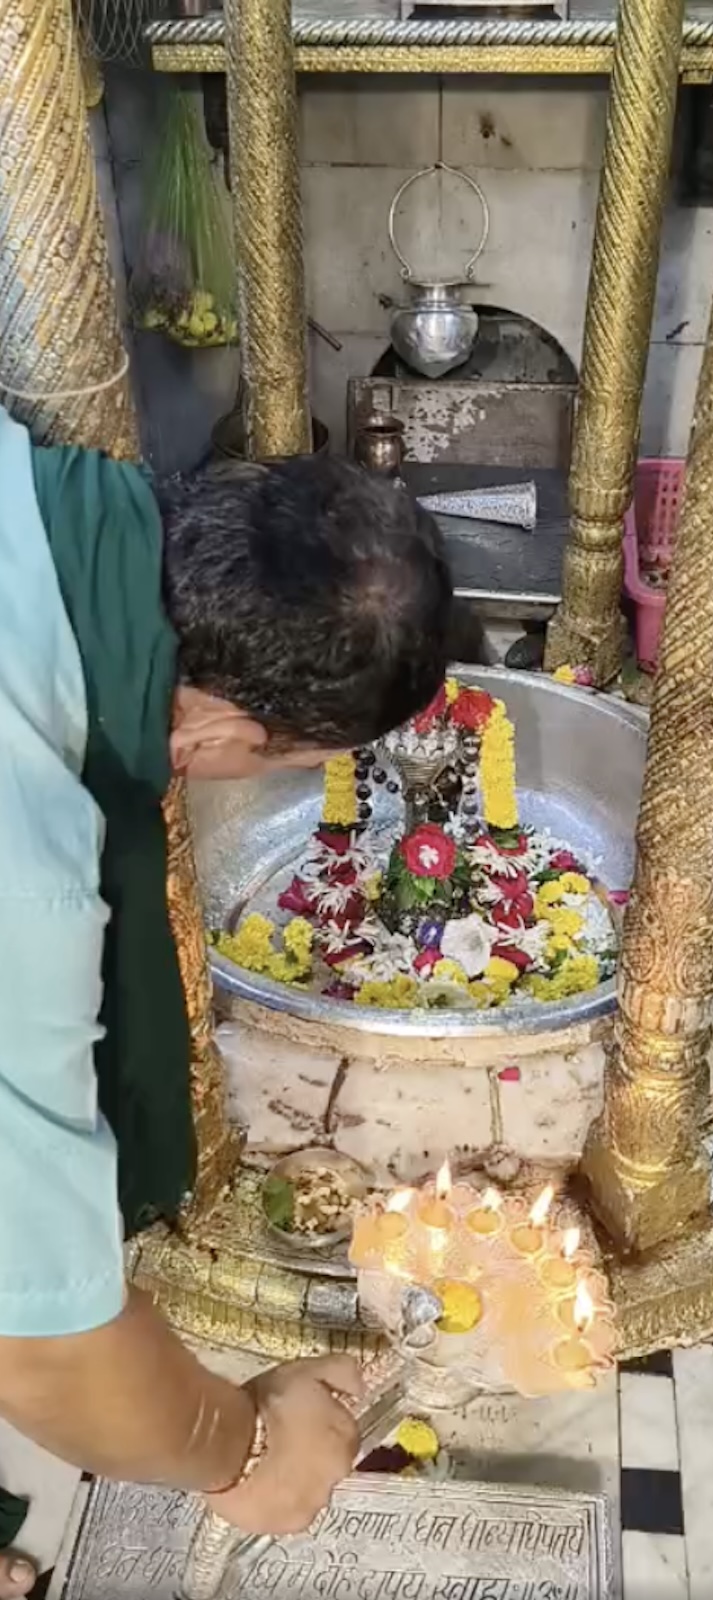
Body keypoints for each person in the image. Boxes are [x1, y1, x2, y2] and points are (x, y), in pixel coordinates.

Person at [0, 407, 452, 1592]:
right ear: (212, 730)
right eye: (284, 762)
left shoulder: (34, 493)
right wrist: (243, 1448)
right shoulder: (26, 875)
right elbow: (42, 1350)